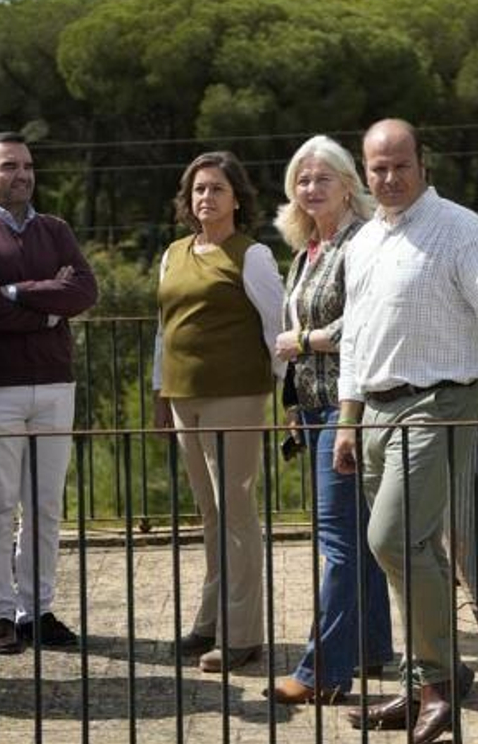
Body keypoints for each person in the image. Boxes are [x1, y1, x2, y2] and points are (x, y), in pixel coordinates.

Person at [334, 119, 478, 744]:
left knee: (392, 537)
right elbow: (355, 340)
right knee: (405, 552)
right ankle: (422, 676)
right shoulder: (364, 240)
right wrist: (346, 421)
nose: (389, 178)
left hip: (439, 404)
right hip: (373, 412)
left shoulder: (459, 227)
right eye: (377, 168)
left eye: (400, 165)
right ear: (364, 172)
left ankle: (442, 683)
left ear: (422, 163)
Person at [0, 132, 97, 655]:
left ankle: (37, 609)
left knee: (45, 506)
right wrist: (48, 306)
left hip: (54, 385)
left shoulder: (55, 229)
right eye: (9, 166)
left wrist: (18, 293)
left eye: (28, 165)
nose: (23, 175)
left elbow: (85, 290)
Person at [266, 136, 394, 705]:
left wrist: (304, 340)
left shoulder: (362, 243)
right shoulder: (305, 252)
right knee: (357, 538)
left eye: (322, 178)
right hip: (315, 407)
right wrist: (293, 404)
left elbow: (365, 324)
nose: (310, 188)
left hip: (351, 411)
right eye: (302, 179)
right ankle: (369, 650)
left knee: (338, 542)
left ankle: (323, 672)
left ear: (349, 185)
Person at [152, 151, 284, 673]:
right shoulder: (173, 253)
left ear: (237, 199)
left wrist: (288, 395)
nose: (206, 198)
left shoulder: (251, 256)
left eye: (217, 189)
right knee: (209, 513)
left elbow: (277, 330)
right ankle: (210, 620)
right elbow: (164, 329)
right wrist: (161, 392)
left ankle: (243, 634)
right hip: (185, 398)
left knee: (236, 512)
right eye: (199, 189)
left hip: (236, 396)